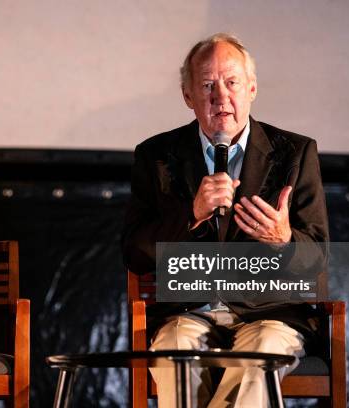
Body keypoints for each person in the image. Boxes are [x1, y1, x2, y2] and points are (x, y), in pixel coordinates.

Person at [122, 33, 329, 407]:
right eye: (207, 85)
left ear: (251, 88)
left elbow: (317, 258)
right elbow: (135, 254)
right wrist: (191, 215)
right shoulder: (156, 156)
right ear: (188, 97)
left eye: (232, 82)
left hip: (270, 315)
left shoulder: (295, 153)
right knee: (175, 352)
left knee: (262, 356)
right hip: (187, 314)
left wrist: (284, 240)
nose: (221, 96)